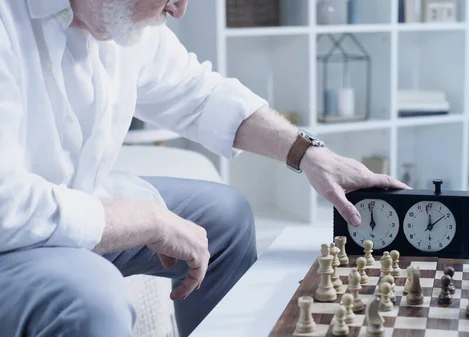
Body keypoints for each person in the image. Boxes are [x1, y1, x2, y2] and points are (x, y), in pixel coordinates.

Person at [0, 0, 410, 336]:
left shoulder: (115, 19)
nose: (179, 9)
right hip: (12, 243)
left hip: (75, 208)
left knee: (225, 217)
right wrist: (147, 220)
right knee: (93, 301)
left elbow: (199, 93)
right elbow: (6, 205)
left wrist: (307, 153)